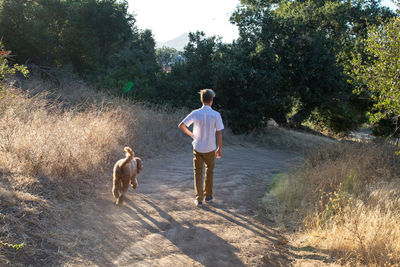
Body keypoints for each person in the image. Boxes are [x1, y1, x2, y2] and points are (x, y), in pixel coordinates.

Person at [178, 89, 224, 207]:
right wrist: (220, 148)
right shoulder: (216, 115)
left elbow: (181, 125)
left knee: (197, 172)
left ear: (201, 100)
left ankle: (199, 199)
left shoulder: (195, 113)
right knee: (210, 171)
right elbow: (219, 133)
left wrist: (192, 135)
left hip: (197, 147)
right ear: (211, 100)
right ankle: (208, 196)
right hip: (210, 148)